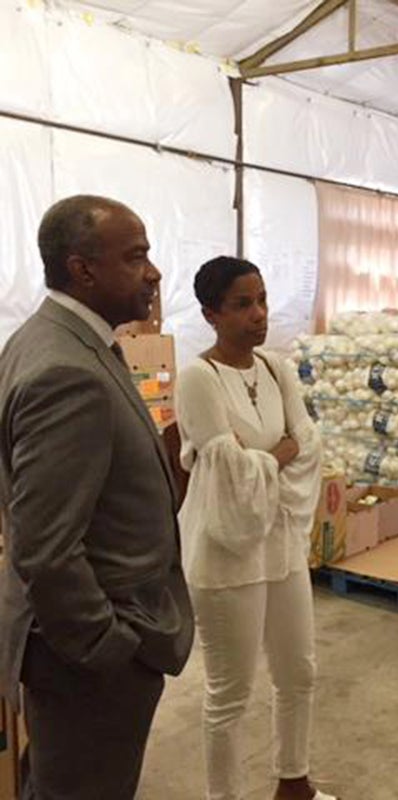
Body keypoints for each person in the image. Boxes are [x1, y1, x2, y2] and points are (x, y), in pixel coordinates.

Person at [0, 195, 194, 799]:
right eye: (136, 257)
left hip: (84, 648)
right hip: (87, 659)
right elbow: (45, 546)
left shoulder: (56, 341)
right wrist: (106, 647)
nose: (154, 273)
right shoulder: (66, 370)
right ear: (83, 270)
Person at [175, 256, 335, 800]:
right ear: (211, 314)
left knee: (298, 671)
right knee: (230, 691)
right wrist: (279, 453)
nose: (258, 314)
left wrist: (265, 457)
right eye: (242, 304)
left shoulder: (276, 369)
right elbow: (227, 476)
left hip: (281, 543)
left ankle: (295, 783)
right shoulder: (198, 376)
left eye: (262, 300)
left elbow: (308, 444)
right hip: (225, 551)